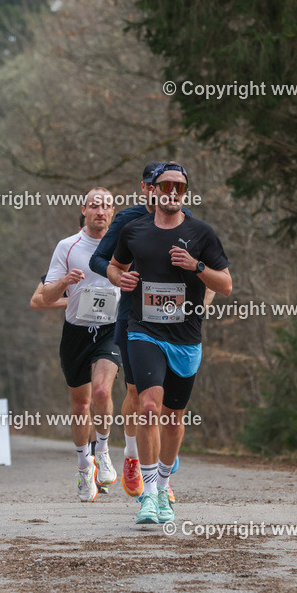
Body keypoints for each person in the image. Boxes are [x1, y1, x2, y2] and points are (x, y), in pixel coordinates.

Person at [108, 162, 232, 524]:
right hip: (143, 330)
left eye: (180, 187)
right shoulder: (134, 230)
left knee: (174, 417)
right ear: (153, 190)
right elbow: (113, 266)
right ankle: (148, 494)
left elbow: (225, 285)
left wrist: (196, 267)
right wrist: (121, 279)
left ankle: (163, 487)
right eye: (166, 186)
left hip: (185, 338)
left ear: (185, 192)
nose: (173, 192)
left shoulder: (201, 233)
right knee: (148, 407)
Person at [89, 162, 196, 501]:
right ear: (146, 188)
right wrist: (120, 278)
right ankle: (133, 456)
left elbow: (210, 267)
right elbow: (98, 260)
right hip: (134, 316)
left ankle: (163, 476)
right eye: (157, 185)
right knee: (138, 396)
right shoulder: (128, 220)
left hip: (177, 320)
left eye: (171, 186)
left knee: (167, 402)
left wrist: (199, 300)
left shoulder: (186, 220)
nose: (165, 192)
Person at [41, 187, 121, 502]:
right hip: (76, 331)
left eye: (106, 206)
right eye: (94, 206)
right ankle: (83, 465)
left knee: (102, 391)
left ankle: (102, 450)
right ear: (84, 210)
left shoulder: (124, 245)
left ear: (113, 212)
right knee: (80, 405)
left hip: (110, 329)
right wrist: (64, 282)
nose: (100, 211)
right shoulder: (67, 246)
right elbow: (45, 297)